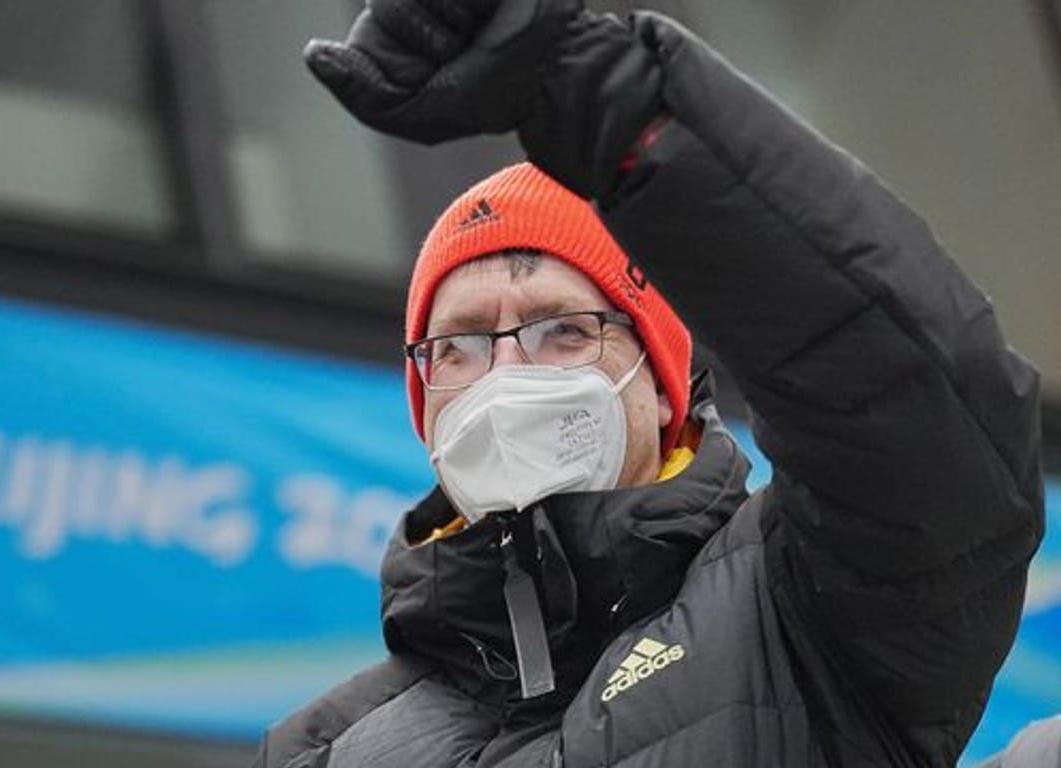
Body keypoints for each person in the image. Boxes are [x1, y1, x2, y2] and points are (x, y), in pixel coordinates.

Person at [253, 2, 1045, 766]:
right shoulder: (322, 750)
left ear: (663, 386)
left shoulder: (806, 606)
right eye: (458, 345)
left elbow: (905, 407)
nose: (506, 376)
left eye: (562, 330)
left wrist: (598, 89)